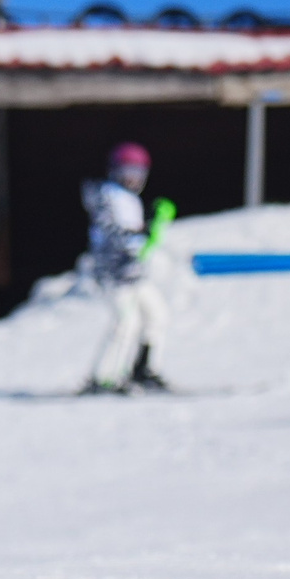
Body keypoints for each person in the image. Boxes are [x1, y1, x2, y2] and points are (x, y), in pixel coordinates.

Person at [81, 141, 169, 394]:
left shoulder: (130, 199)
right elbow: (113, 234)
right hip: (115, 275)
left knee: (157, 315)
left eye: (139, 172)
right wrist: (141, 233)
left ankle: (144, 369)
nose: (134, 178)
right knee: (125, 323)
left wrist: (150, 230)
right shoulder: (106, 196)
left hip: (134, 275)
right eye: (129, 171)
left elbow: (138, 242)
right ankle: (103, 377)